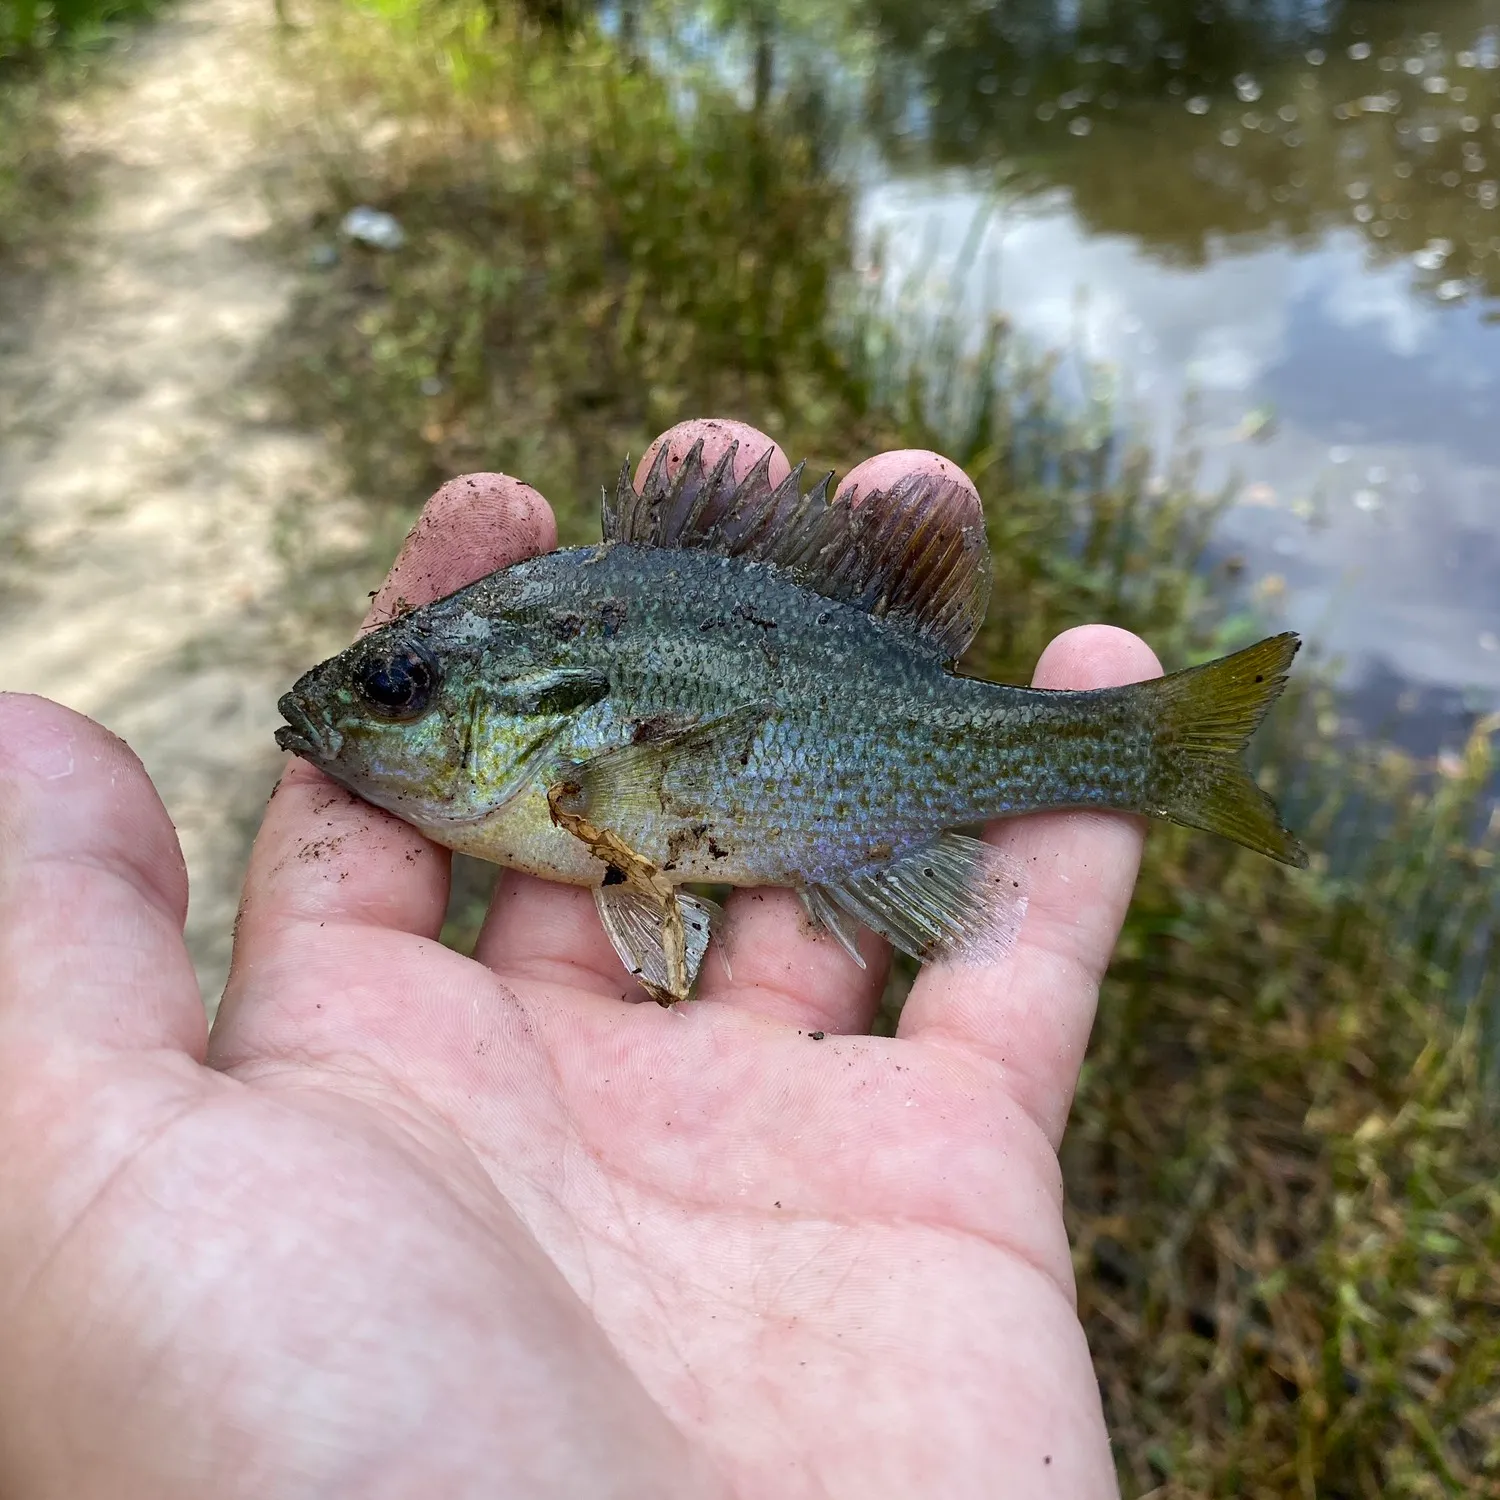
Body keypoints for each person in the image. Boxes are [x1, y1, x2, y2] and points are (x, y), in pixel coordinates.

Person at [0, 419, 1156, 1498]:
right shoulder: (553, 712)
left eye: (397, 686)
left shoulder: (578, 710)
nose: (354, 710)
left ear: (535, 697)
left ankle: (1158, 751)